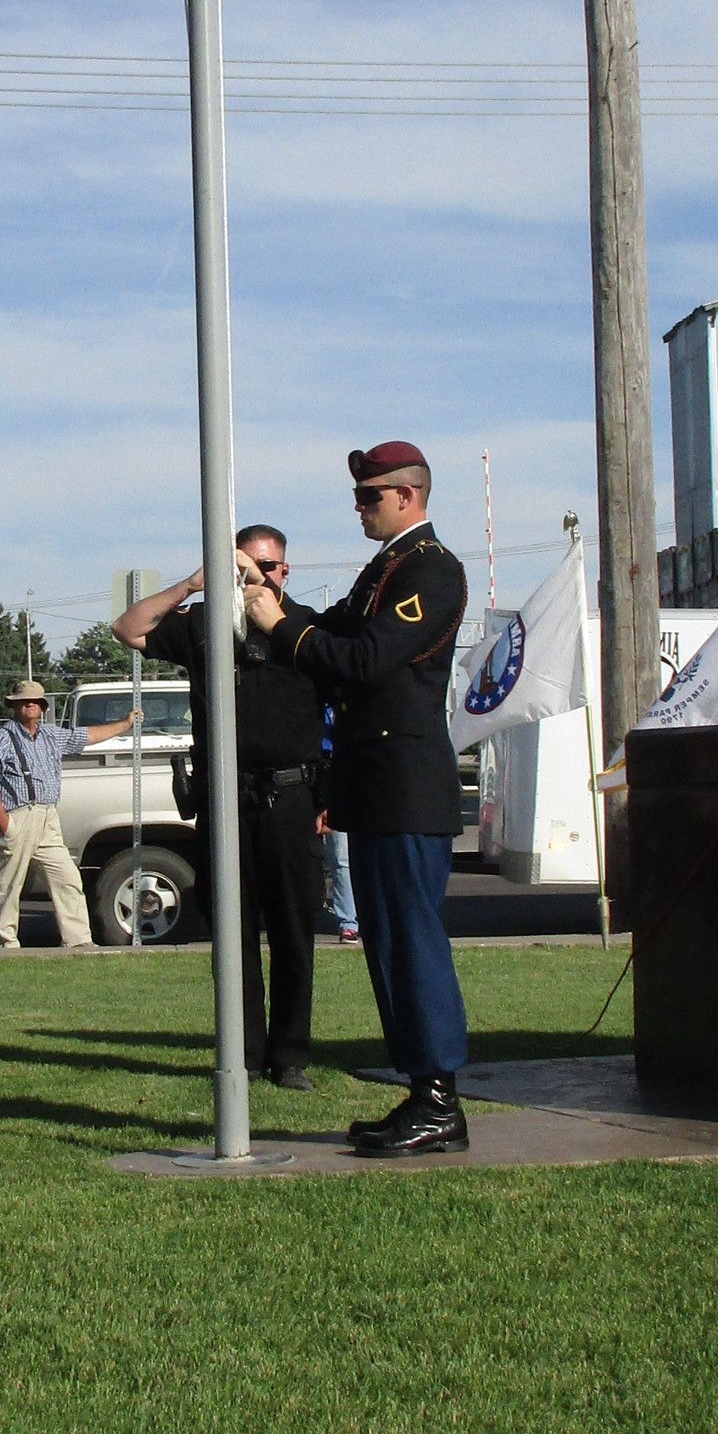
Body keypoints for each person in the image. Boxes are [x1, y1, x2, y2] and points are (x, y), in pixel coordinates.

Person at [241, 442, 472, 1155]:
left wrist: (278, 624)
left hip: (405, 787)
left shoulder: (432, 570)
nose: (359, 507)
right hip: (375, 791)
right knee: (388, 946)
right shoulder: (386, 569)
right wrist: (268, 594)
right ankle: (423, 1093)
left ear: (408, 495)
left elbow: (365, 657)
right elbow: (336, 628)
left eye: (370, 496)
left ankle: (438, 1097)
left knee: (412, 943)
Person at [119, 528, 325, 1085]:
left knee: (292, 934)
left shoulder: (305, 627)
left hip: (290, 797)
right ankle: (245, 1054)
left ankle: (290, 1057)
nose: (262, 576)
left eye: (272, 567)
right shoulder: (206, 626)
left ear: (287, 570)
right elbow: (128, 628)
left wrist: (326, 800)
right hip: (226, 799)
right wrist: (193, 583)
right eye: (248, 567)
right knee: (232, 935)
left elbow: (340, 703)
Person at [0, 680, 130, 951]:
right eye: (24, 701)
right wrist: (5, 823)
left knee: (67, 878)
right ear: (15, 706)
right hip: (19, 816)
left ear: (43, 707)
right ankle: (5, 944)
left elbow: (86, 736)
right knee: (9, 885)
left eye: (35, 701)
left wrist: (125, 724)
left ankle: (78, 940)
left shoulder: (50, 735)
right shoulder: (3, 737)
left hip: (48, 818)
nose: (30, 705)